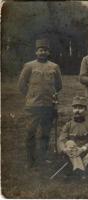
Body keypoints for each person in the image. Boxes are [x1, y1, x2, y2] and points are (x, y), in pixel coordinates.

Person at [18, 38, 62, 168]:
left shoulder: (54, 67)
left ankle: (42, 158)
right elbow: (21, 84)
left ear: (48, 52)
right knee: (30, 132)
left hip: (48, 106)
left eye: (45, 50)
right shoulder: (29, 66)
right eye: (40, 50)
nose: (43, 52)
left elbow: (58, 85)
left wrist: (50, 95)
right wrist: (30, 95)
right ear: (36, 52)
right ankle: (30, 160)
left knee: (45, 133)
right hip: (33, 106)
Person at [58, 96, 88, 179]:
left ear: (86, 110)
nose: (77, 111)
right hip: (72, 151)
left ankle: (77, 168)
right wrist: (64, 150)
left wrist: (83, 149)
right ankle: (82, 171)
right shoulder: (68, 124)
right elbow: (61, 139)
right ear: (73, 109)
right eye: (75, 108)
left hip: (86, 152)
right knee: (70, 142)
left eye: (80, 108)